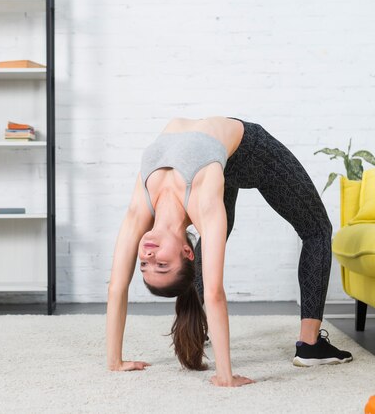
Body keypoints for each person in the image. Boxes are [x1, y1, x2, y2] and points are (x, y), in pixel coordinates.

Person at [105, 116, 352, 388]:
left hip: (220, 158)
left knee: (222, 230)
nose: (149, 259)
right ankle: (310, 345)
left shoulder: (141, 208)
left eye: (144, 266)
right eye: (161, 266)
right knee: (317, 229)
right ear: (188, 252)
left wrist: (114, 361)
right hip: (249, 152)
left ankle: (203, 325)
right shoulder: (202, 200)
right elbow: (214, 292)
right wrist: (225, 375)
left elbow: (117, 285)